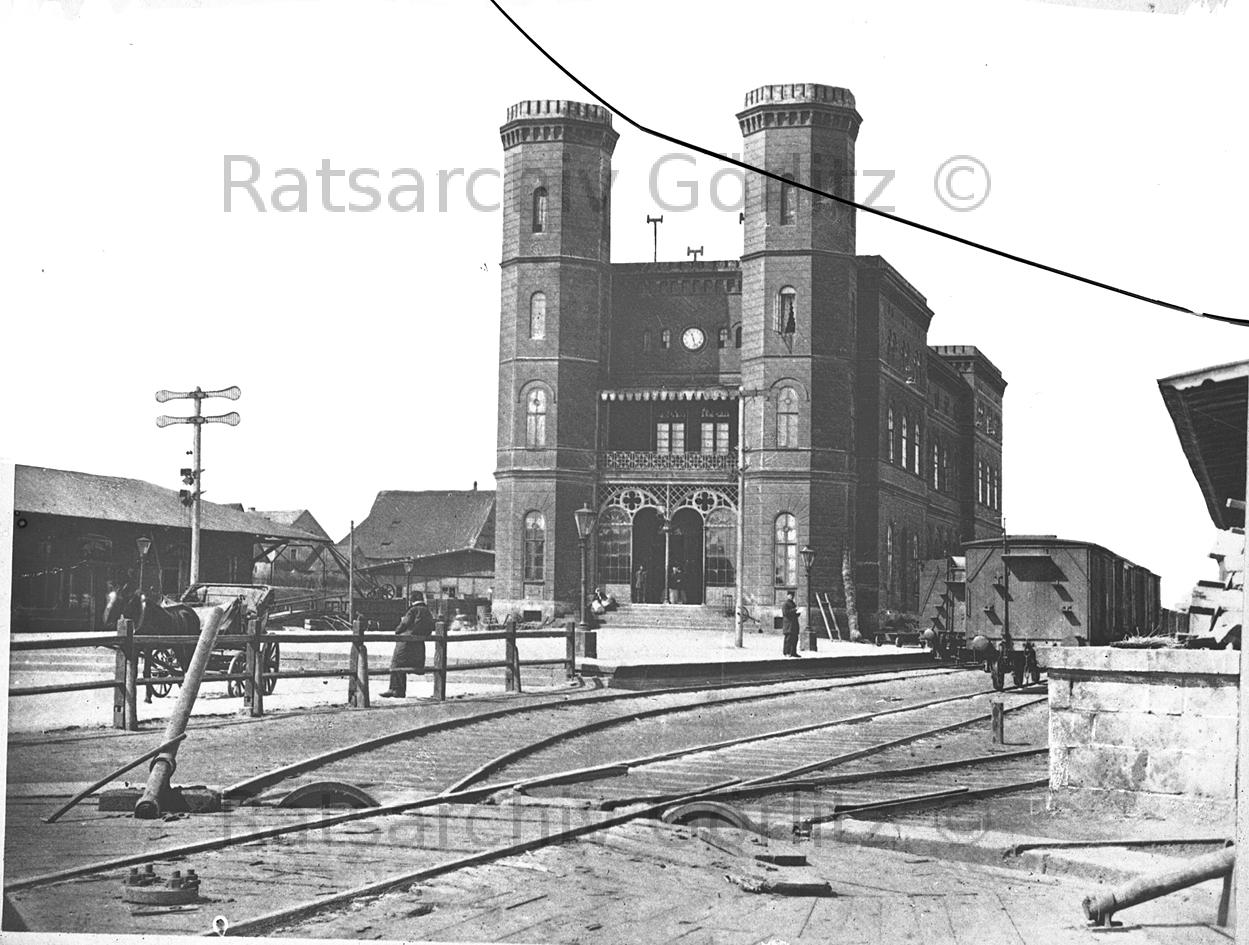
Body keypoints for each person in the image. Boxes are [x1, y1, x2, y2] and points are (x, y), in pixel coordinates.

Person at [380, 590, 434, 698]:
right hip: (419, 646)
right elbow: (430, 628)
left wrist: (397, 630)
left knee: (396, 663)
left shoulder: (412, 610)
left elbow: (404, 624)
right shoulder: (427, 611)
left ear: (412, 600)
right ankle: (398, 691)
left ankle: (395, 689)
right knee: (403, 665)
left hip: (406, 644)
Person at [781, 591, 801, 657]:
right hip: (788, 624)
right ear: (787, 596)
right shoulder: (785, 604)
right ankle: (786, 652)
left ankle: (793, 652)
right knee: (788, 639)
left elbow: (794, 614)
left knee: (795, 639)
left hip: (794, 624)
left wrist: (798, 613)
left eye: (792, 596)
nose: (791, 597)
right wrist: (794, 610)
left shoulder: (793, 604)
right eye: (790, 595)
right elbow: (786, 613)